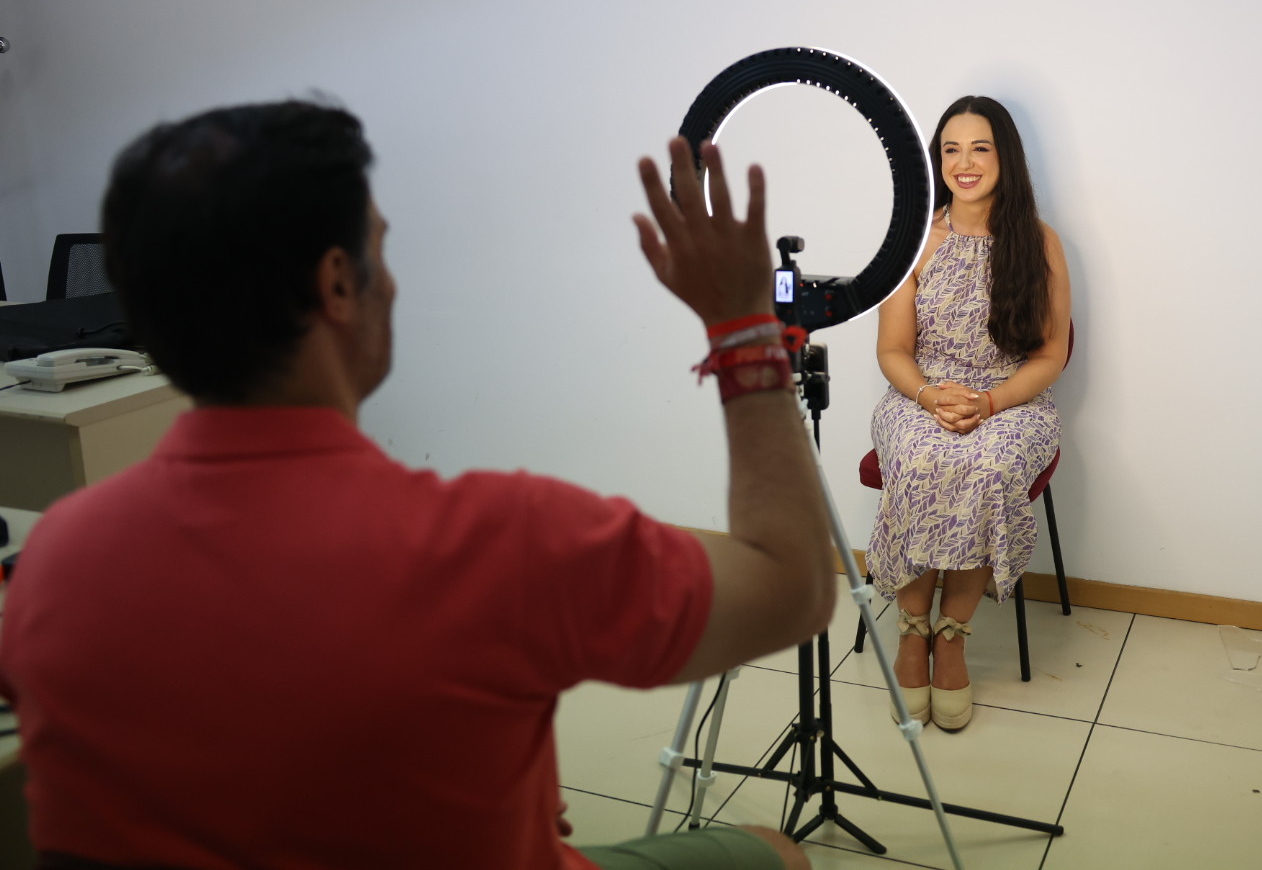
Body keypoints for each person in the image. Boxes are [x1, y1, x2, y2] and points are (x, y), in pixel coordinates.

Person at [0, 100, 835, 870]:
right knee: (776, 852)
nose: (393, 283)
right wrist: (744, 326)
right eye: (382, 247)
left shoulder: (53, 561)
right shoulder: (503, 543)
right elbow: (793, 586)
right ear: (337, 284)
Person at [865, 95, 1071, 732]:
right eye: (951, 149)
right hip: (920, 394)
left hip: (1011, 400)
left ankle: (951, 636)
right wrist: (931, 397)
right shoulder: (914, 240)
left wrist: (988, 403)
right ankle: (912, 630)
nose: (965, 162)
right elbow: (892, 351)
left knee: (987, 464)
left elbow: (1050, 355)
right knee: (921, 457)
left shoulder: (1038, 242)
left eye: (980, 148)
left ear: (1005, 157)